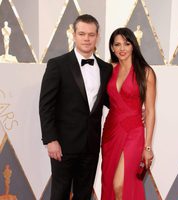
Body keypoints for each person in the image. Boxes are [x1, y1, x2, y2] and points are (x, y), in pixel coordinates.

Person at [39, 14, 112, 200]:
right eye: (82, 34)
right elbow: (46, 105)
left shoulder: (106, 68)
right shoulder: (58, 64)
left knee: (84, 194)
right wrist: (51, 139)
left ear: (97, 36)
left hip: (91, 144)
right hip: (63, 144)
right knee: (59, 194)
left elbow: (109, 101)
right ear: (74, 35)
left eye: (91, 34)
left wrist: (137, 108)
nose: (86, 38)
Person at [101, 27, 156, 200]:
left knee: (121, 184)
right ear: (112, 48)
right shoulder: (109, 69)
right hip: (111, 131)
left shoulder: (145, 72)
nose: (122, 48)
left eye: (126, 43)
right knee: (110, 183)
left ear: (133, 45)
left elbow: (151, 110)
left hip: (134, 132)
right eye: (117, 44)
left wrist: (148, 146)